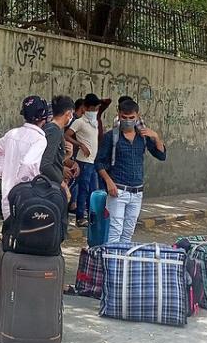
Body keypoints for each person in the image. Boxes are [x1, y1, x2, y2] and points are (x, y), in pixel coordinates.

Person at [95, 99, 166, 243]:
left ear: (137, 116)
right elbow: (99, 162)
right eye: (124, 117)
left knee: (128, 233)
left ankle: (122, 263)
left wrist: (156, 136)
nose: (127, 121)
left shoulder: (143, 137)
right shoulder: (111, 136)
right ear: (119, 115)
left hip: (137, 192)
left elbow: (161, 155)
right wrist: (109, 182)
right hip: (118, 191)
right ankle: (112, 263)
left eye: (131, 118)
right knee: (114, 232)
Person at [0, 96, 49, 220]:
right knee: (27, 235)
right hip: (27, 196)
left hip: (7, 194)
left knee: (10, 232)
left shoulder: (12, 134)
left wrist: (2, 172)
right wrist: (22, 184)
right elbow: (27, 164)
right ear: (44, 117)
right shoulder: (40, 139)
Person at [66, 93, 101, 227]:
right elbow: (67, 135)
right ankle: (80, 217)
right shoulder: (79, 121)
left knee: (93, 190)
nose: (94, 112)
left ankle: (91, 215)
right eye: (92, 109)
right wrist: (80, 144)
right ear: (86, 108)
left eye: (96, 109)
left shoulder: (94, 122)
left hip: (92, 161)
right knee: (83, 190)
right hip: (83, 161)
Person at [40, 95, 75, 196]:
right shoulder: (53, 131)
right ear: (68, 113)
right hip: (48, 187)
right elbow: (45, 164)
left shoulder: (54, 130)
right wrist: (63, 184)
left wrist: (67, 155)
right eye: (71, 114)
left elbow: (53, 161)